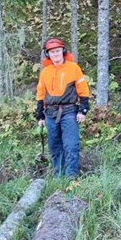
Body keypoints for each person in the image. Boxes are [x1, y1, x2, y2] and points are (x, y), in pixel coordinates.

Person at [36, 37, 90, 179]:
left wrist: (83, 110)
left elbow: (83, 90)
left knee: (71, 145)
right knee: (54, 146)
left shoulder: (74, 68)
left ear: (63, 51)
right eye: (52, 52)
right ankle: (58, 176)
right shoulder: (45, 71)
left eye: (57, 51)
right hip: (50, 113)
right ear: (48, 54)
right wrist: (40, 115)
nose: (55, 54)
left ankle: (71, 177)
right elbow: (40, 94)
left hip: (69, 111)